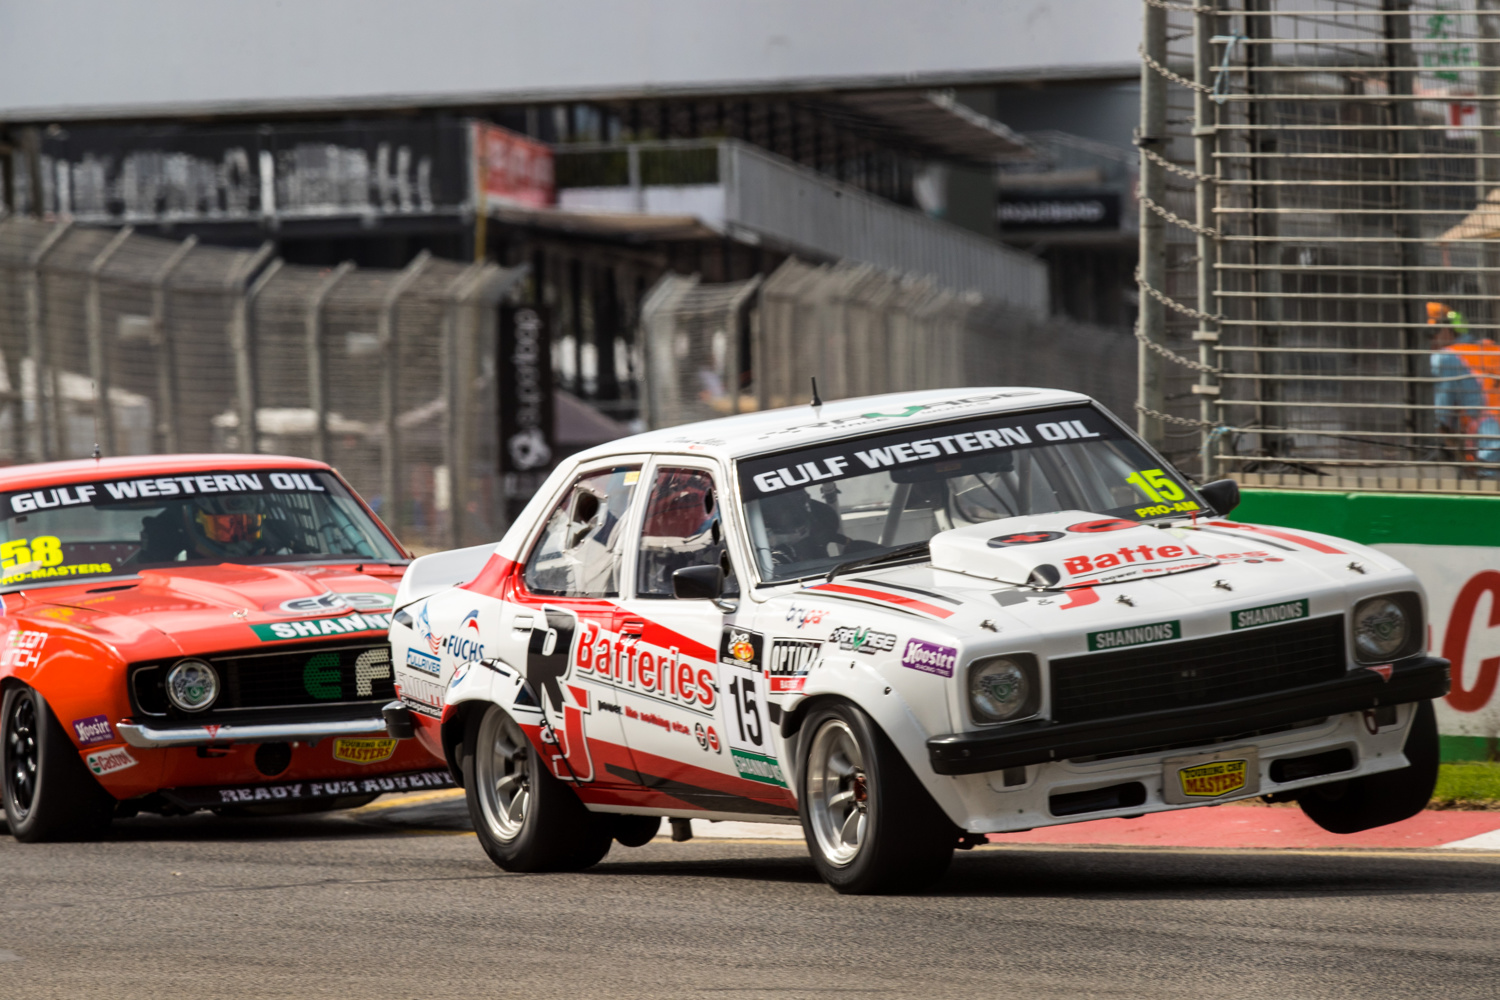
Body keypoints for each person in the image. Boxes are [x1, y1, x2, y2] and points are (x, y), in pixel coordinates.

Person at [1427, 301, 1500, 470]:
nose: (1431, 340)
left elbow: (1443, 418)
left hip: (1489, 450)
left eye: (1431, 333)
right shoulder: (1493, 349)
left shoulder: (1446, 357)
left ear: (1446, 329)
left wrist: (1449, 445)